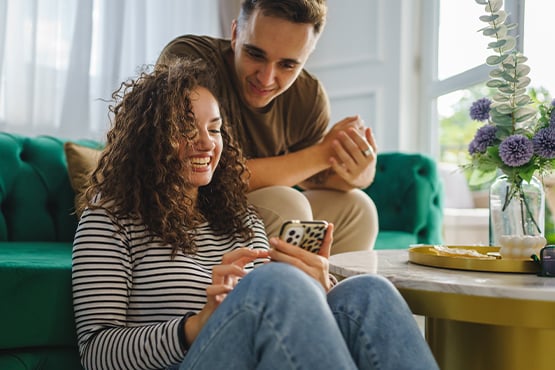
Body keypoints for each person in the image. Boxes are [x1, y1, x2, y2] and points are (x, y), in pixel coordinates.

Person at [71, 57, 439, 370]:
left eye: (214, 129)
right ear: (148, 138)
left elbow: (284, 325)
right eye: (184, 129)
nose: (205, 142)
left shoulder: (241, 217)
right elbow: (97, 352)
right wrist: (196, 326)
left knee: (366, 292)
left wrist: (319, 287)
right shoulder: (110, 218)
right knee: (274, 283)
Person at [157, 0, 379, 255]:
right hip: (192, 209)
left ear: (307, 55)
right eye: (255, 54)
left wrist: (360, 173)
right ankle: (273, 293)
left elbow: (309, 175)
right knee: (287, 203)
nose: (266, 78)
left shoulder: (308, 97)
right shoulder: (188, 59)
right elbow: (203, 173)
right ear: (235, 34)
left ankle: (326, 292)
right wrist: (321, 153)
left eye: (287, 65)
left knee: (358, 209)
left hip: (250, 212)